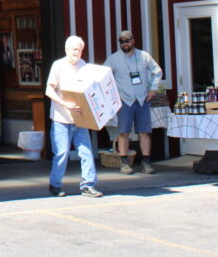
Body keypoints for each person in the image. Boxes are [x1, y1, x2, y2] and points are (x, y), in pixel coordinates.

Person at [44, 35, 103, 198]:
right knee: (62, 153)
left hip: (80, 118)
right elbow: (49, 90)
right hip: (61, 118)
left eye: (79, 49)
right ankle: (55, 184)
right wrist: (65, 103)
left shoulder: (84, 66)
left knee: (86, 152)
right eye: (74, 49)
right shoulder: (58, 66)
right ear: (67, 50)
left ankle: (88, 185)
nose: (76, 52)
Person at [104, 30, 163, 174]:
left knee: (144, 131)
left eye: (127, 41)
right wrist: (113, 95)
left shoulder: (144, 56)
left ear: (133, 40)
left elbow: (157, 71)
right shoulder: (113, 59)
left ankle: (146, 162)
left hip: (142, 98)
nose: (124, 44)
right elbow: (103, 76)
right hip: (124, 99)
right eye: (122, 41)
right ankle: (124, 162)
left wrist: (153, 88)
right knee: (123, 132)